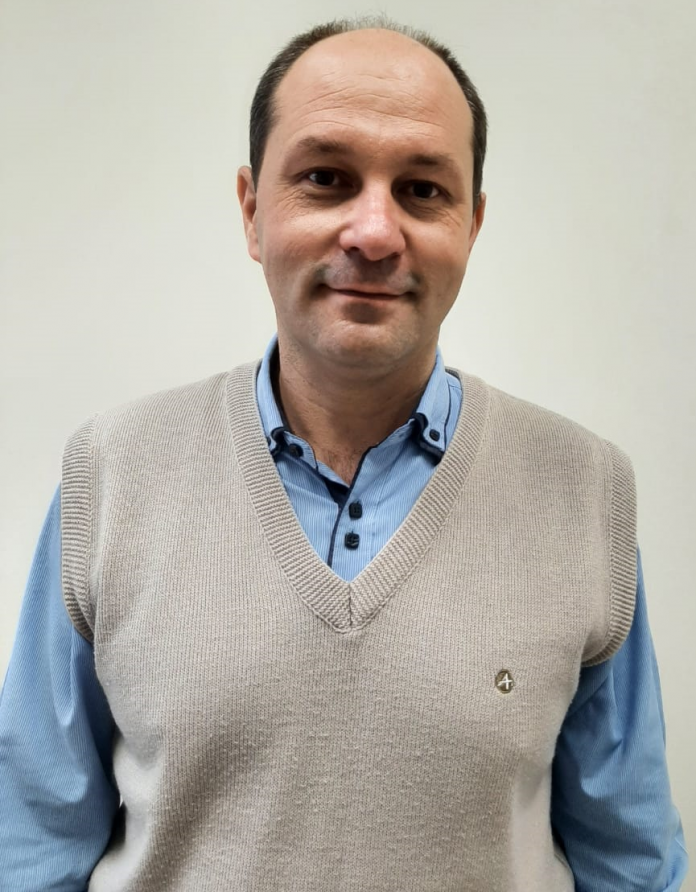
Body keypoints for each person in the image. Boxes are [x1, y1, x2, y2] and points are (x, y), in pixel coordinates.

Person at [0, 17, 688, 892]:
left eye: (423, 190)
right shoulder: (112, 475)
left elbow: (630, 862)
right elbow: (30, 842)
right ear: (253, 210)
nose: (373, 232)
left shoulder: (582, 491)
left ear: (473, 225)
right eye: (326, 179)